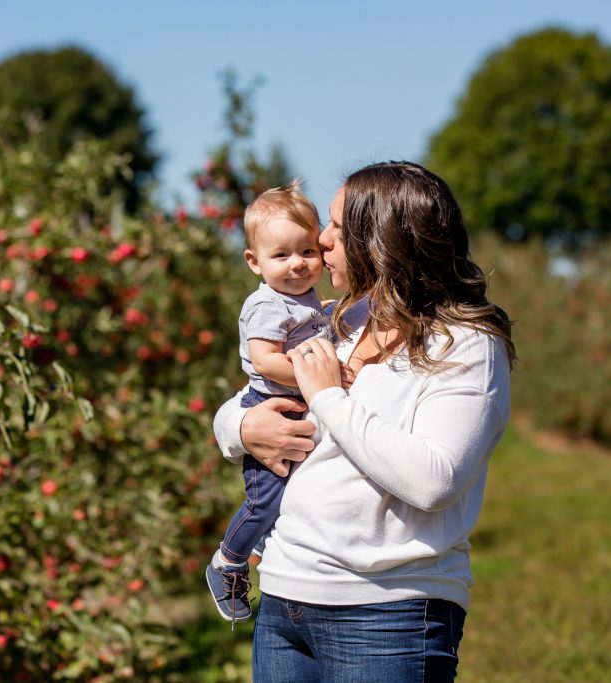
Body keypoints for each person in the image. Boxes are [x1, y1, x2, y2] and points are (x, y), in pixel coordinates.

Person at [213, 161, 515, 682]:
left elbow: (434, 480)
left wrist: (329, 398)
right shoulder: (343, 323)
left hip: (387, 610)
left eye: (335, 227)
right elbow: (250, 395)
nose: (322, 241)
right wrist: (239, 431)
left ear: (380, 242)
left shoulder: (464, 345)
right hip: (287, 597)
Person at [206, 181, 331, 624]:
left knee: (288, 491)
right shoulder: (266, 305)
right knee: (265, 499)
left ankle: (259, 543)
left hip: (293, 402)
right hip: (271, 401)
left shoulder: (307, 300)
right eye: (282, 256)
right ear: (254, 262)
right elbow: (265, 360)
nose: (298, 264)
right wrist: (318, 373)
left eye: (308, 251)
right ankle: (228, 561)